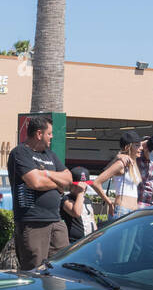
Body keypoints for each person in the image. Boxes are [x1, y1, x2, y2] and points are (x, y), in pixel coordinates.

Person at [7, 115, 71, 270]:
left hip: (56, 220)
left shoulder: (50, 155)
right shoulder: (20, 153)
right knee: (34, 269)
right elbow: (35, 182)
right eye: (49, 133)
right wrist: (58, 184)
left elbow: (68, 179)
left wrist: (47, 174)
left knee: (62, 265)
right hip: (32, 221)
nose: (52, 136)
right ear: (39, 134)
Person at [91, 131, 143, 220]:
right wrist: (109, 203)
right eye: (137, 145)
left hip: (134, 211)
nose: (141, 148)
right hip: (122, 210)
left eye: (140, 145)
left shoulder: (133, 163)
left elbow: (148, 143)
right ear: (128, 147)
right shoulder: (121, 163)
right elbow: (96, 183)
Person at [61, 167, 96, 244]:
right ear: (71, 186)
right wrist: (80, 193)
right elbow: (76, 213)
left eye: (85, 185)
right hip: (74, 241)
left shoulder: (87, 200)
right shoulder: (66, 199)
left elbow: (92, 220)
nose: (83, 188)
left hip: (90, 240)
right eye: (79, 186)